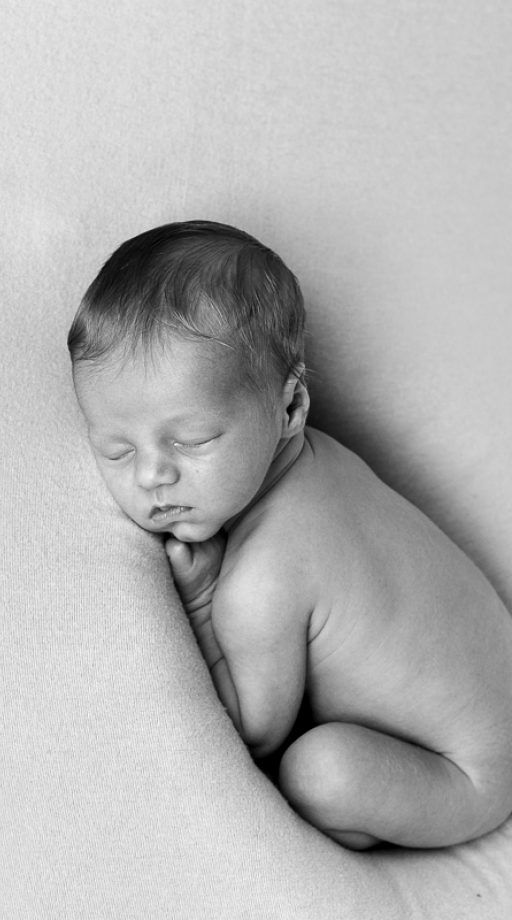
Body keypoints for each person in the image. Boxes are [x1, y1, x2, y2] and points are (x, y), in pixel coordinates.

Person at [67, 220, 512, 850]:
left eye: (192, 441)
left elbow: (253, 733)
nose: (152, 474)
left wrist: (199, 604)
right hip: (499, 691)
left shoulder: (261, 584)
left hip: (467, 777)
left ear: (290, 407)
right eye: (115, 451)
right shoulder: (323, 458)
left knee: (314, 770)